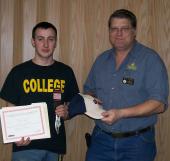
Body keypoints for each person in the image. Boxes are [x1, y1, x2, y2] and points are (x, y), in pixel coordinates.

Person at [84, 9, 169, 161]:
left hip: (137, 143)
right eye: (114, 29)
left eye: (124, 29)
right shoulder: (101, 60)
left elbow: (159, 105)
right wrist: (91, 101)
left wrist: (121, 113)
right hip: (101, 140)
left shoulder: (150, 59)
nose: (119, 34)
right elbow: (89, 91)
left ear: (134, 31)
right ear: (109, 31)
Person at [0, 21, 79, 161]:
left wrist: (67, 113)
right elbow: (10, 109)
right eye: (40, 39)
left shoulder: (65, 72)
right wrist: (15, 135)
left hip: (54, 146)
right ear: (33, 42)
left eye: (51, 39)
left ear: (56, 42)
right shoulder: (18, 72)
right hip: (25, 146)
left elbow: (71, 107)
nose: (46, 44)